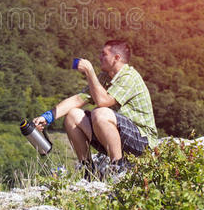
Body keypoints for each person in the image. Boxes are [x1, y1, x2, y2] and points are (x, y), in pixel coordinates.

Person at [32, 40, 157, 176]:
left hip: (142, 142)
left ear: (117, 58)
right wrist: (47, 117)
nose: (99, 57)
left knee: (100, 113)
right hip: (117, 137)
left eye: (104, 54)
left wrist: (89, 72)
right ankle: (89, 171)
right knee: (73, 115)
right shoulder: (104, 78)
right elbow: (78, 99)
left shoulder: (129, 77)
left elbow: (104, 101)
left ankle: (117, 169)